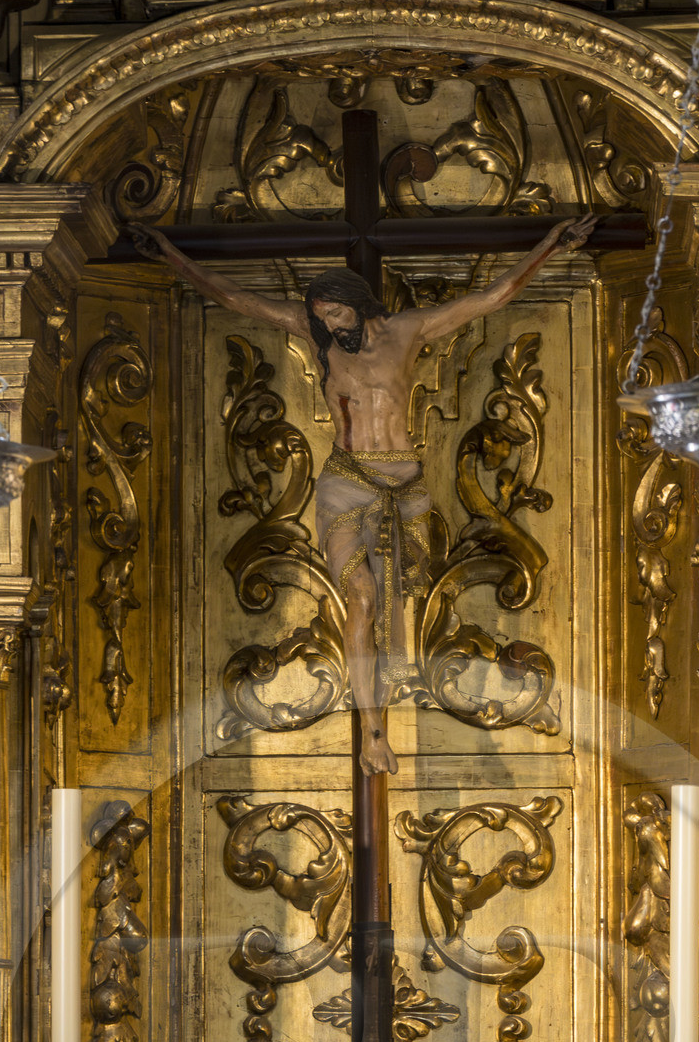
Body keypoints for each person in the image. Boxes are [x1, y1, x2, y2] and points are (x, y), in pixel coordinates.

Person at [140, 219, 595, 775]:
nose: (330, 326)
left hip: (405, 486)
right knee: (359, 597)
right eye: (321, 317)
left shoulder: (408, 330)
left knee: (414, 601)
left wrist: (550, 245)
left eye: (337, 314)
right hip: (346, 477)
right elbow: (234, 296)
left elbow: (491, 296)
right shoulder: (317, 337)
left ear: (359, 304)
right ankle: (371, 734)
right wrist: (168, 255)